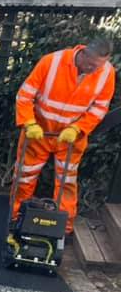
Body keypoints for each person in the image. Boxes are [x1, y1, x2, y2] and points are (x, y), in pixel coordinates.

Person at [14, 36, 116, 236]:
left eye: (98, 67)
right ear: (84, 52)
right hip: (39, 132)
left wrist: (78, 128)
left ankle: (64, 228)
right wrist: (29, 122)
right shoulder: (51, 61)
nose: (92, 70)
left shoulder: (106, 73)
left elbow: (100, 108)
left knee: (67, 183)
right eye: (90, 64)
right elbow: (24, 95)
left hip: (71, 138)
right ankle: (16, 218)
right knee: (24, 177)